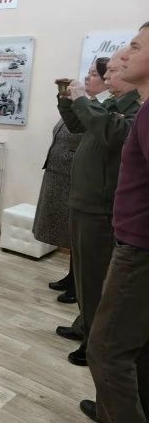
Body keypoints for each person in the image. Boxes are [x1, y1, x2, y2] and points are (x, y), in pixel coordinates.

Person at [82, 23, 149, 423]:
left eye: (135, 47)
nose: (122, 56)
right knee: (134, 350)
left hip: (139, 249)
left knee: (106, 352)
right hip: (135, 242)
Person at [58, 53, 140, 367]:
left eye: (112, 71)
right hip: (86, 202)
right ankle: (84, 324)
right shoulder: (112, 104)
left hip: (101, 208)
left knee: (94, 280)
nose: (105, 77)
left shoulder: (135, 110)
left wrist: (82, 99)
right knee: (84, 275)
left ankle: (92, 341)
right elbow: (78, 125)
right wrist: (67, 100)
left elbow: (112, 133)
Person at [32, 112, 82, 304]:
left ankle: (78, 285)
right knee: (68, 234)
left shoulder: (94, 111)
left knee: (75, 234)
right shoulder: (76, 109)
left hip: (72, 179)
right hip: (59, 176)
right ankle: (71, 277)